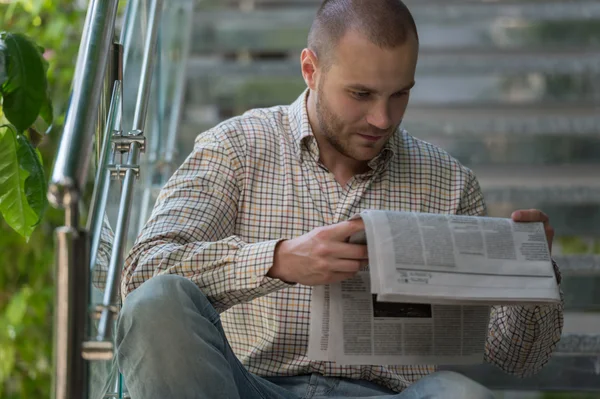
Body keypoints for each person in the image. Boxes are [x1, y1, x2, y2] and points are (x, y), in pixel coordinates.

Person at [116, 1, 564, 398]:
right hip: (248, 385)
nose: (381, 118)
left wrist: (531, 277)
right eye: (361, 94)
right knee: (157, 303)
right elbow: (143, 274)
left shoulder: (448, 181)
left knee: (460, 393)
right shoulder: (235, 147)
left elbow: (517, 360)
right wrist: (278, 261)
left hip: (388, 393)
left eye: (400, 94)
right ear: (311, 70)